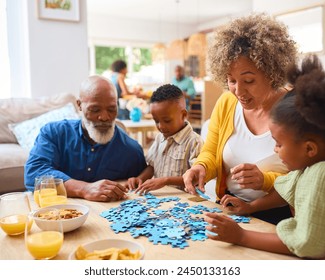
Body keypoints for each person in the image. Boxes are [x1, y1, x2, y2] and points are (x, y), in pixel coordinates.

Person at [205, 54, 325, 259]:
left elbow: (305, 245)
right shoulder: (308, 166)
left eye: (278, 143)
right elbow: (285, 191)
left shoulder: (319, 176)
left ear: (309, 148)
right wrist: (250, 207)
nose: (275, 150)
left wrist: (241, 236)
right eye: (231, 80)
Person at [182, 13, 298, 224]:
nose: (238, 91)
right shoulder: (227, 103)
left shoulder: (297, 109)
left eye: (248, 80)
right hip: (229, 207)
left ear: (273, 72)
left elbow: (304, 180)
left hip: (278, 218)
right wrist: (201, 167)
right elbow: (211, 151)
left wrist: (264, 181)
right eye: (231, 80)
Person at [24, 75, 147, 202]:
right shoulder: (53, 133)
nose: (104, 117)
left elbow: (140, 188)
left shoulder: (131, 150)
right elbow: (34, 174)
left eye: (111, 109)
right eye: (95, 109)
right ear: (79, 105)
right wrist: (84, 189)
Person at [127, 84, 203, 193]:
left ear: (183, 115)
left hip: (185, 203)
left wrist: (165, 181)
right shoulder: (159, 138)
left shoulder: (194, 142)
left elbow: (197, 177)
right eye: (156, 121)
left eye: (167, 121)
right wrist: (140, 178)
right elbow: (152, 166)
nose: (161, 126)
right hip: (161, 200)